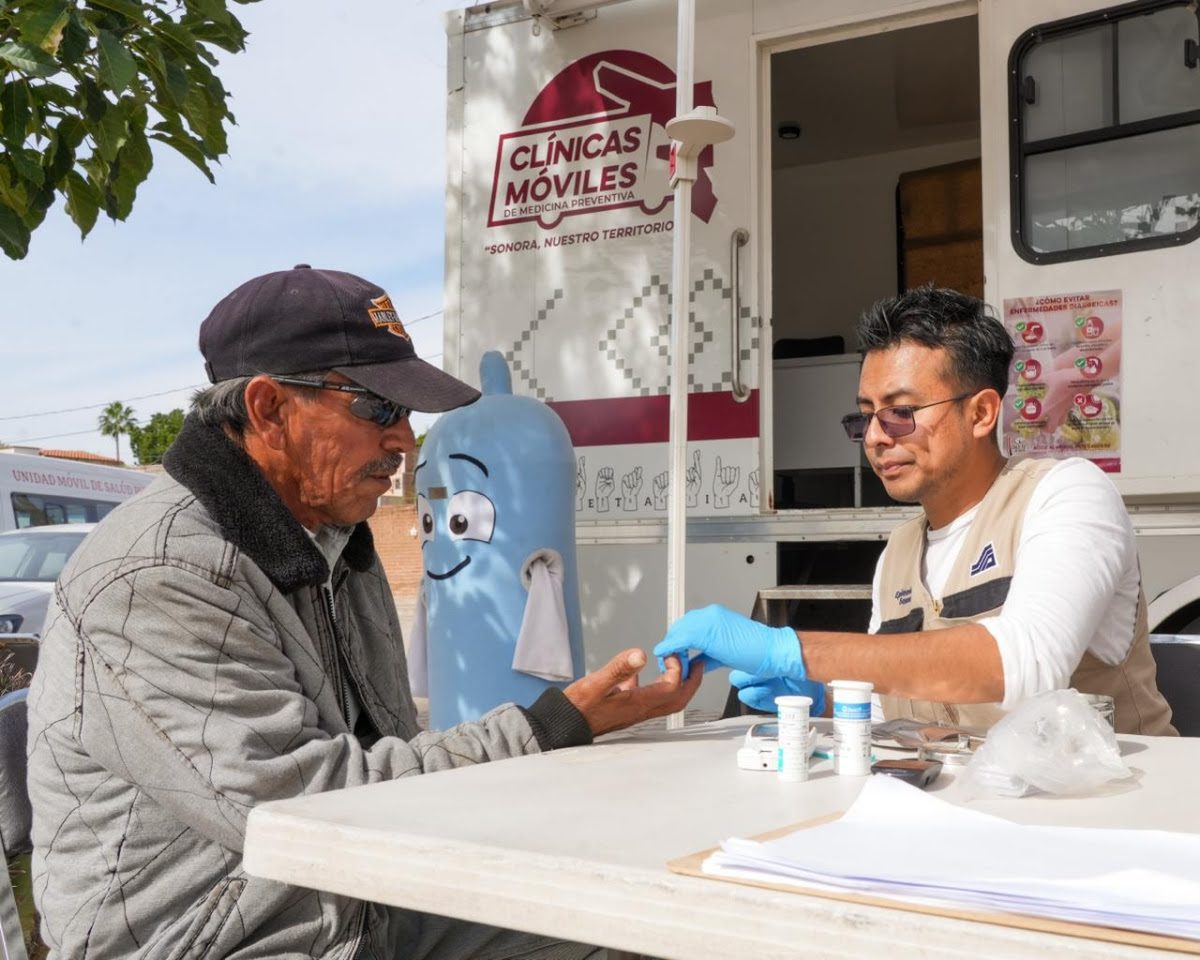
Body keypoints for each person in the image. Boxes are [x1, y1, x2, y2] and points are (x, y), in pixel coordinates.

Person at [25, 265, 701, 960]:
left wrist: (562, 738)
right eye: (378, 408)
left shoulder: (335, 539)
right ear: (269, 409)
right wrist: (551, 725)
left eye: (406, 414)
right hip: (221, 936)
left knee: (636, 922)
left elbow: (384, 750)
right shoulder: (158, 575)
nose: (405, 440)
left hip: (354, 900)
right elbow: (313, 808)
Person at [655, 286, 1175, 736]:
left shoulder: (1065, 494)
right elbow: (895, 705)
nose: (876, 438)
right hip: (976, 806)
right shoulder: (899, 553)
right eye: (865, 417)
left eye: (901, 413)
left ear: (981, 412)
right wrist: (821, 698)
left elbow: (1026, 664)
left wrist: (789, 648)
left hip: (1114, 803)